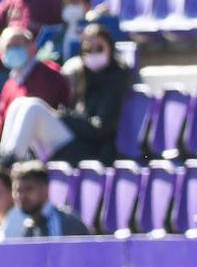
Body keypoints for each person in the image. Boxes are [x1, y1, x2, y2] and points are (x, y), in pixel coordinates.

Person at [1, 24, 131, 165]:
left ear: (110, 48)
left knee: (33, 107)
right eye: (88, 49)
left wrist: (65, 117)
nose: (93, 53)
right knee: (20, 103)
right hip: (74, 141)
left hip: (93, 149)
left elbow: (99, 129)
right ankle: (5, 157)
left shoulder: (114, 82)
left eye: (99, 48)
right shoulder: (82, 76)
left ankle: (8, 165)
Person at [0, 27, 70, 138]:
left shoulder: (49, 75)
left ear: (33, 47)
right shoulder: (10, 84)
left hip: (48, 142)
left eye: (17, 45)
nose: (13, 50)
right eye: (8, 47)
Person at [0, 160, 88, 240]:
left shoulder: (61, 223)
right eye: (18, 190)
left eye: (28, 189)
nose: (21, 196)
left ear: (45, 189)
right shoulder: (28, 224)